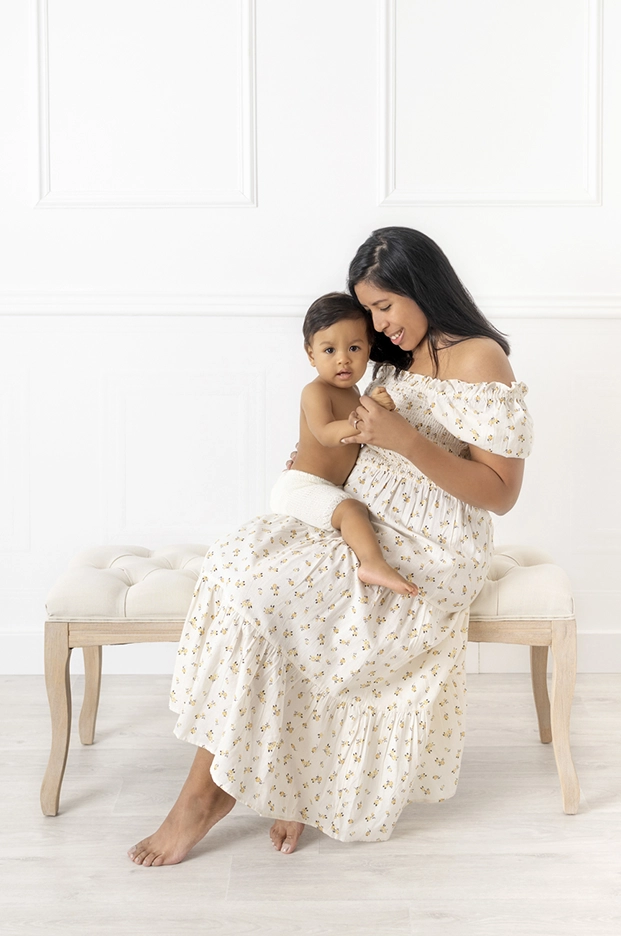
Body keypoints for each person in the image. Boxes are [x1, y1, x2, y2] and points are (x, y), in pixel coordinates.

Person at [128, 226, 533, 866]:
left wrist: (404, 441)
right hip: (363, 512)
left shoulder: (480, 358)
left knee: (275, 597)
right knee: (239, 565)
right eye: (370, 310)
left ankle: (202, 799)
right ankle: (289, 780)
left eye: (384, 307)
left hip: (432, 540)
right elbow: (350, 430)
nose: (378, 325)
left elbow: (501, 492)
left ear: (421, 286)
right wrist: (318, 465)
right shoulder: (393, 355)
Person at [270, 291, 418, 597]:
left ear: (369, 349)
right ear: (311, 354)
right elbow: (326, 433)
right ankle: (372, 564)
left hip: (326, 487)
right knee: (352, 509)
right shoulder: (315, 392)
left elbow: (361, 440)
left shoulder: (355, 393)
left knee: (351, 509)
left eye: (354, 348)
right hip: (301, 486)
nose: (343, 359)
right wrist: (363, 418)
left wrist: (382, 414)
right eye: (329, 350)